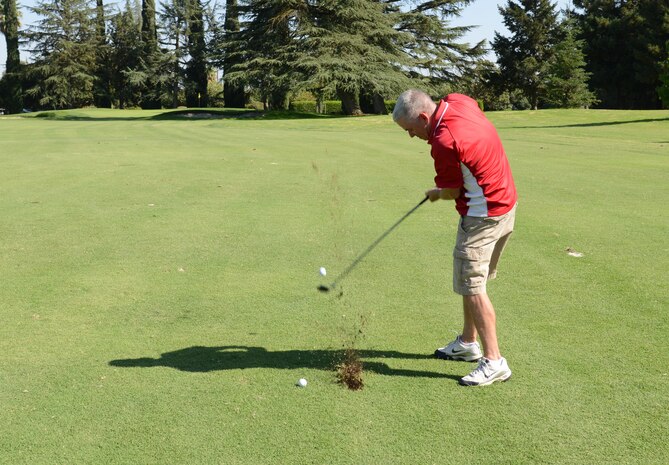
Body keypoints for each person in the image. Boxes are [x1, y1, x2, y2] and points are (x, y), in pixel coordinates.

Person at [392, 90, 518, 387]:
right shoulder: (458, 101)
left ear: (424, 118)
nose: (411, 136)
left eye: (410, 130)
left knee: (473, 285)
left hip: (482, 218)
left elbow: (453, 191)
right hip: (506, 205)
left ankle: (494, 361)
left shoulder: (443, 143)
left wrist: (436, 194)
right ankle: (467, 343)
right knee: (472, 281)